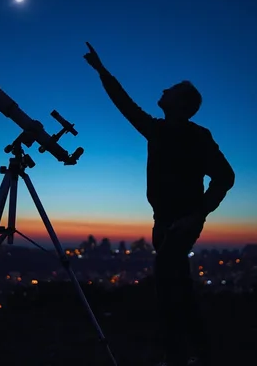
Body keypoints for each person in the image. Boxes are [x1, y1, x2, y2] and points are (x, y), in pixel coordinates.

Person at [83, 42, 235, 366]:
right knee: (179, 288)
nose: (164, 89)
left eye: (172, 90)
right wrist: (102, 71)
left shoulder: (198, 137)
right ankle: (198, 351)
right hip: (162, 223)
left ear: (180, 104)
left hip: (181, 225)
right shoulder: (157, 130)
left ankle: (175, 356)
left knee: (166, 290)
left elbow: (225, 177)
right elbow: (125, 105)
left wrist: (197, 215)